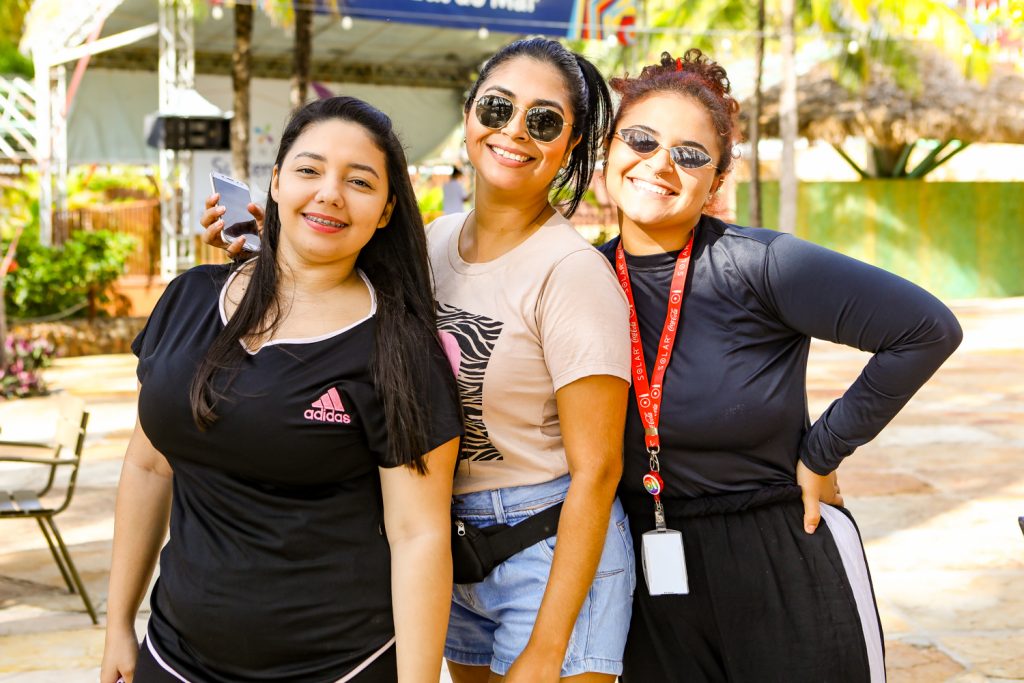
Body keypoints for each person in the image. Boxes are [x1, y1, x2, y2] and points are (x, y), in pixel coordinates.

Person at [201, 38, 635, 683]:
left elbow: (598, 471)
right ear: (468, 114)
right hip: (450, 541)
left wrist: (549, 646)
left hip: (544, 548)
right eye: (498, 107)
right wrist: (263, 245)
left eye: (544, 121)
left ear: (570, 146)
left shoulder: (572, 272)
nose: (515, 130)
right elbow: (336, 299)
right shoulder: (431, 243)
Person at [598, 50, 963, 683]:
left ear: (717, 180)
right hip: (641, 575)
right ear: (610, 148)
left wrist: (824, 451)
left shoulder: (760, 265)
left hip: (781, 559)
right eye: (641, 139)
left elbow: (925, 330)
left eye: (691, 154)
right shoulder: (579, 280)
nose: (659, 163)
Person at [100, 96, 462, 683]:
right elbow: (148, 467)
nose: (330, 194)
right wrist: (119, 622)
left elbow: (417, 534)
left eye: (360, 182)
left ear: (387, 210)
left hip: (339, 666)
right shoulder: (190, 298)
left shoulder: (399, 348)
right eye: (309, 169)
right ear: (274, 182)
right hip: (174, 656)